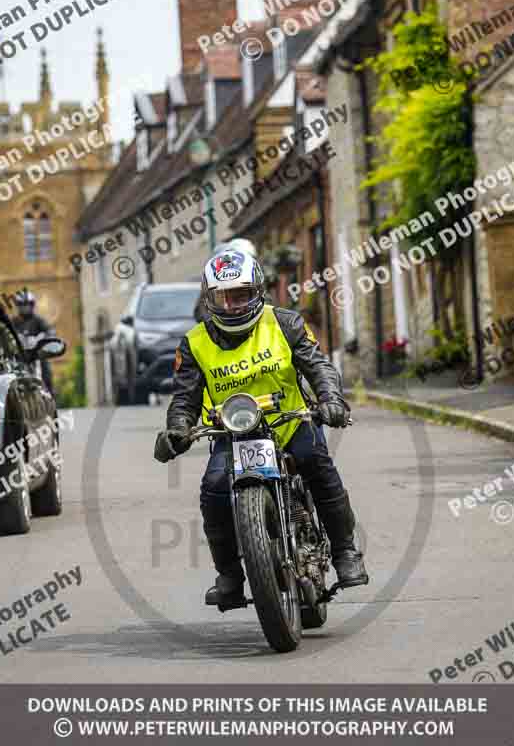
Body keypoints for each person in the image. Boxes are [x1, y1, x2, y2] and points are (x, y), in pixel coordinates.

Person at [154, 249, 368, 608]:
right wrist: (177, 430)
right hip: (232, 434)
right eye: (225, 297)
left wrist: (331, 399)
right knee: (213, 488)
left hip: (290, 423)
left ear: (258, 293)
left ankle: (345, 552)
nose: (235, 305)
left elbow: (318, 366)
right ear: (209, 299)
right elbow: (185, 399)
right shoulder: (194, 343)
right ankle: (230, 576)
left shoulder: (286, 323)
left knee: (316, 463)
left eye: (242, 295)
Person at [12, 290, 55, 395]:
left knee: (46, 368)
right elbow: (5, 333)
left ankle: (49, 393)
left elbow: (50, 330)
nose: (25, 307)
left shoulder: (38, 320)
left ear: (32, 305)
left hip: (36, 353)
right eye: (22, 305)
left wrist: (45, 337)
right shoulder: (13, 322)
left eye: (27, 305)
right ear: (18, 306)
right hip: (19, 354)